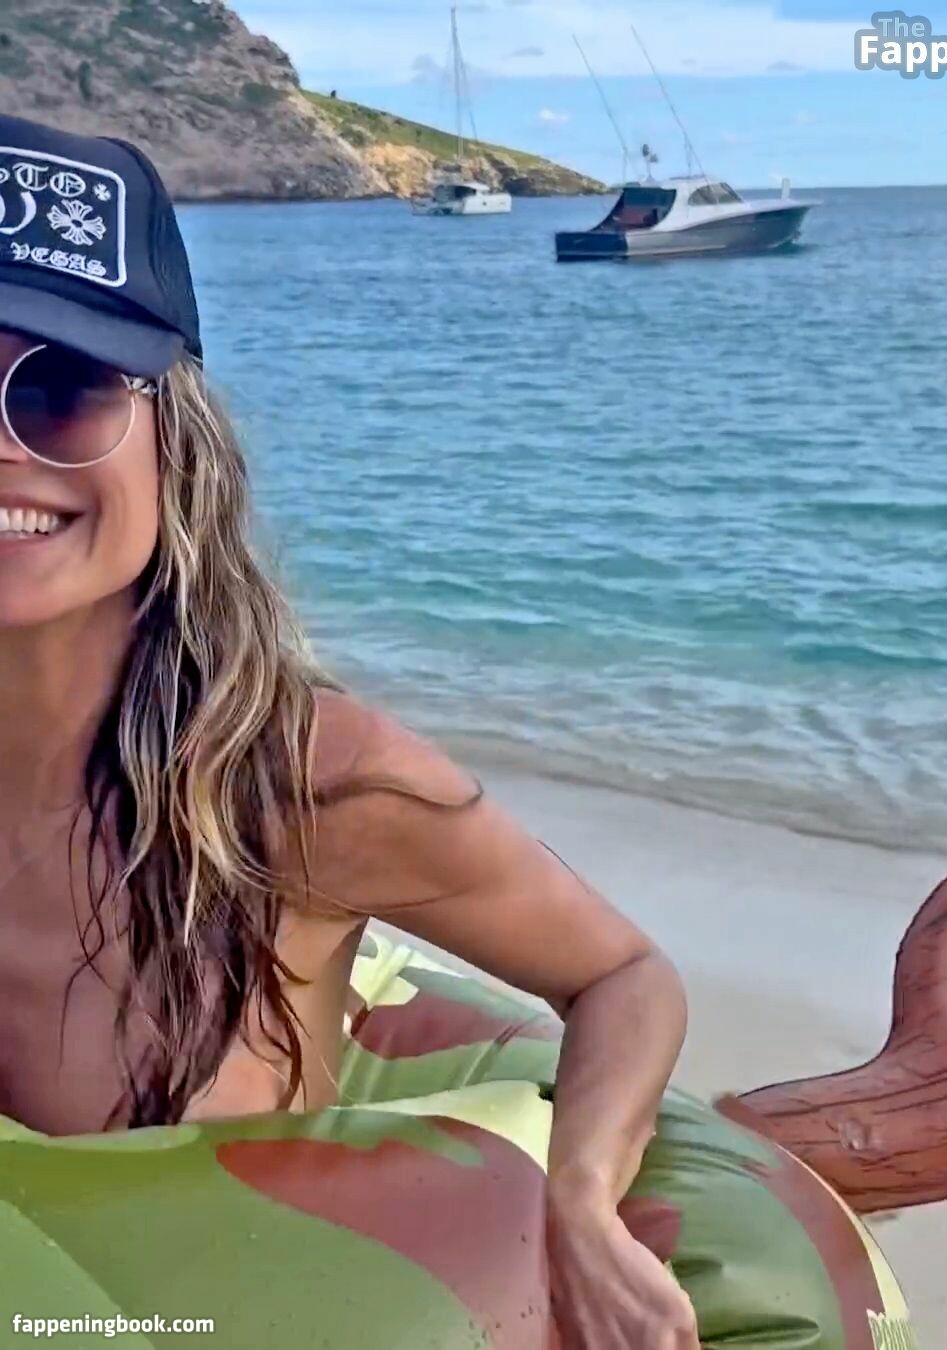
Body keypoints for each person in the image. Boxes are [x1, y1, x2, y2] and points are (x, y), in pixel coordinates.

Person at [0, 114, 696, 1349]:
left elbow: (623, 976)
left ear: (175, 439)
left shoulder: (302, 789)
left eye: (58, 387)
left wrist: (583, 1198)